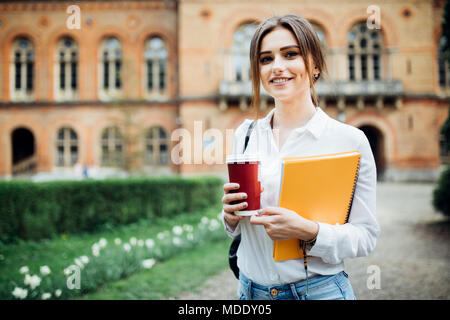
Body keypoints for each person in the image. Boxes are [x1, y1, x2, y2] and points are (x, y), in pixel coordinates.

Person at [221, 14, 380, 300]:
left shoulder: (349, 141)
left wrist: (310, 231)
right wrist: (230, 216)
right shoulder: (245, 135)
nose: (277, 67)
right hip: (250, 292)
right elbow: (237, 226)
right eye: (265, 59)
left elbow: (365, 237)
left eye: (290, 54)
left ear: (315, 65)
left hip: (319, 292)